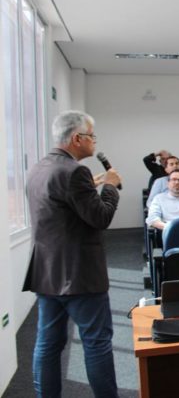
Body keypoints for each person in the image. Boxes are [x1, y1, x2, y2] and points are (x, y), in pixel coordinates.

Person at [23, 111, 122, 397]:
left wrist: (91, 186)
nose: (94, 141)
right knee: (96, 343)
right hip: (80, 275)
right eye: (92, 136)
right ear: (77, 138)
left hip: (46, 272)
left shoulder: (39, 168)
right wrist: (110, 186)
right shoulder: (75, 172)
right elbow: (100, 217)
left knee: (48, 344)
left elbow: (59, 210)